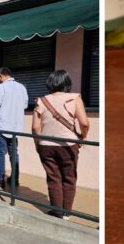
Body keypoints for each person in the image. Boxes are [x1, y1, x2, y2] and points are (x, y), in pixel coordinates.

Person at [32, 70, 90, 220]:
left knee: (53, 178)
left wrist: (37, 143)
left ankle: (56, 212)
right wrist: (84, 136)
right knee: (69, 177)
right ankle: (67, 213)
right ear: (67, 83)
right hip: (68, 144)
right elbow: (84, 123)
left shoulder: (41, 100)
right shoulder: (75, 98)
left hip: (46, 145)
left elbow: (35, 128)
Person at [0, 67, 28, 188]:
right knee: (14, 153)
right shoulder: (22, 87)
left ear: (1, 76)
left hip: (2, 125)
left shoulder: (2, 87)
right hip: (16, 126)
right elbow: (25, 105)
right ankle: (14, 179)